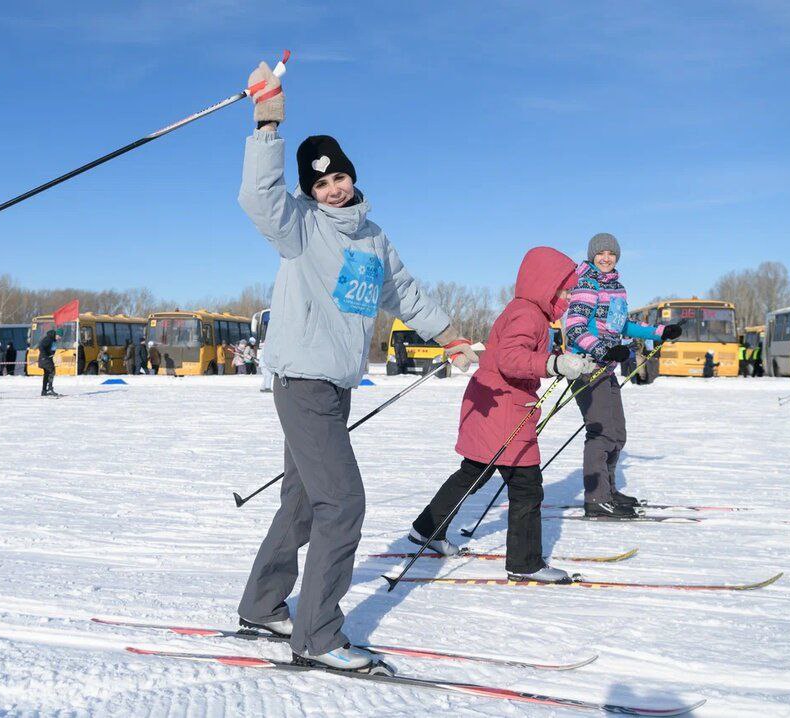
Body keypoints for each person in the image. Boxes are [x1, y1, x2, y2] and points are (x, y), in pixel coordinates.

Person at [234, 60, 475, 673]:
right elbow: (258, 199)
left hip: (336, 386)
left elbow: (407, 295)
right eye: (321, 183)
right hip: (302, 382)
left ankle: (263, 604)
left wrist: (449, 337)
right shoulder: (301, 227)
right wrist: (267, 123)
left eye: (338, 176)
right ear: (309, 192)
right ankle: (316, 635)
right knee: (343, 504)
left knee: (305, 501)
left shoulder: (373, 238)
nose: (333, 188)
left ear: (352, 176)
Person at [408, 247, 595, 583]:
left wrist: (568, 362)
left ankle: (427, 530)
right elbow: (511, 359)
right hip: (506, 408)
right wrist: (552, 364)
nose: (567, 297)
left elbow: (524, 353)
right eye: (564, 289)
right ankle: (525, 563)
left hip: (494, 404)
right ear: (545, 284)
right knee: (526, 487)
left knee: (474, 473)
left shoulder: (526, 311)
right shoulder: (528, 314)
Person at [565, 233, 682, 519]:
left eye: (611, 254)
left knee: (617, 432)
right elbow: (574, 328)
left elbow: (622, 325)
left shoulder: (617, 287)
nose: (606, 258)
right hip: (586, 367)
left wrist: (659, 332)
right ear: (592, 255)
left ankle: (609, 491)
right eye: (601, 253)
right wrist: (605, 349)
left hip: (606, 366)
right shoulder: (586, 285)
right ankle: (597, 499)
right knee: (601, 432)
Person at [38, 329, 59, 396]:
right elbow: (41, 346)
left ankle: (44, 391)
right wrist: (45, 355)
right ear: (55, 334)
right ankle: (49, 389)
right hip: (45, 359)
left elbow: (50, 350)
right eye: (59, 336)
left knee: (47, 374)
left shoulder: (53, 340)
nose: (59, 338)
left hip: (46, 359)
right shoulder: (48, 339)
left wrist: (51, 354)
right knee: (52, 371)